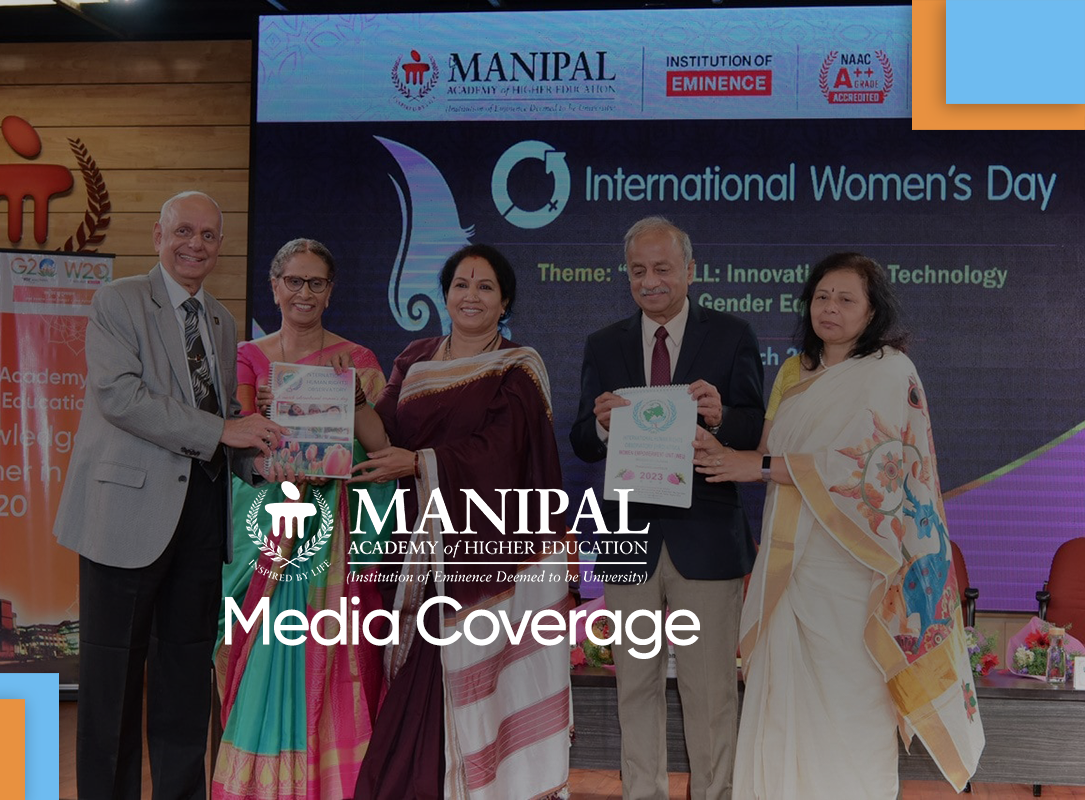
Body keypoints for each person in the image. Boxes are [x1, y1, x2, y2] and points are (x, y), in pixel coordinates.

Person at [693, 253, 984, 798]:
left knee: (853, 701)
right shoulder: (794, 371)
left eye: (846, 299)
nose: (830, 308)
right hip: (789, 565)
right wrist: (716, 437)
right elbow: (767, 450)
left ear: (872, 311)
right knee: (784, 700)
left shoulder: (889, 371)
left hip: (854, 568)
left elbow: (872, 467)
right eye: (822, 297)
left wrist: (755, 466)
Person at [53, 191, 287, 800]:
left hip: (202, 519)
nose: (195, 245)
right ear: (158, 235)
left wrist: (268, 460)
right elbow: (121, 397)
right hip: (125, 515)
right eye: (184, 230)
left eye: (208, 235)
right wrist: (224, 432)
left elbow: (221, 418)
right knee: (112, 678)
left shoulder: (222, 321)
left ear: (220, 246)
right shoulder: (118, 301)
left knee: (185, 677)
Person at [349, 243, 572, 800]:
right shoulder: (415, 358)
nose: (471, 296)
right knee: (413, 687)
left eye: (485, 287)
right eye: (461, 285)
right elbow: (383, 436)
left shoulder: (518, 367)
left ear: (505, 302)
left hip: (487, 556)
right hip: (420, 549)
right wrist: (352, 404)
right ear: (445, 295)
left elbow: (503, 451)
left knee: (481, 684)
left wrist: (420, 463)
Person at [570, 216, 765, 800]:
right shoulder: (603, 344)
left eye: (662, 268)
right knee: (635, 687)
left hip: (706, 540)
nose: (650, 281)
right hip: (629, 539)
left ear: (690, 270)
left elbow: (755, 426)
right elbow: (581, 441)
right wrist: (601, 426)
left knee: (710, 693)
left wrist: (721, 416)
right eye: (638, 271)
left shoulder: (732, 335)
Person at [212, 239, 396, 800]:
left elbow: (382, 450)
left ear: (330, 291)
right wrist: (268, 430)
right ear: (274, 287)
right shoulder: (248, 357)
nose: (304, 293)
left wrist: (354, 402)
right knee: (261, 650)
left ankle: (337, 784)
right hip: (269, 529)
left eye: (316, 283)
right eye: (294, 281)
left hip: (334, 536)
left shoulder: (357, 360)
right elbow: (237, 443)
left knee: (334, 656)